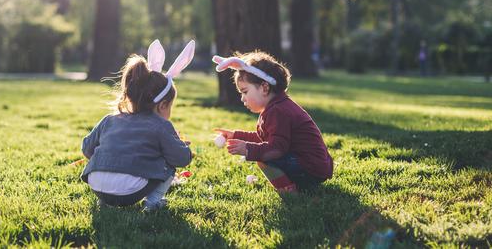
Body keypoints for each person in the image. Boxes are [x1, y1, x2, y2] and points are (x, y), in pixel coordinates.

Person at [80, 40, 194, 211]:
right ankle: (153, 202)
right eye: (170, 106)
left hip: (97, 185)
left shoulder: (110, 120)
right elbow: (180, 159)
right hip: (131, 190)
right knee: (168, 162)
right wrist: (181, 146)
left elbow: (87, 149)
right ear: (162, 105)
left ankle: (105, 200)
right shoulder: (162, 125)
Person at [213, 51, 333, 194]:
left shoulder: (278, 111)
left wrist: (248, 149)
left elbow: (276, 149)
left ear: (264, 88)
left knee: (264, 156)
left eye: (245, 92)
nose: (242, 99)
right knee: (262, 151)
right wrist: (235, 135)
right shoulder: (276, 107)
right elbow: (264, 137)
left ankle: (289, 190)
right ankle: (295, 184)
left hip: (310, 167)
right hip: (314, 165)